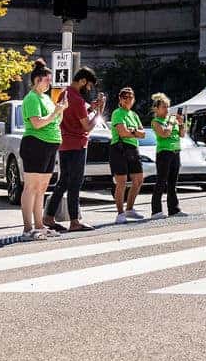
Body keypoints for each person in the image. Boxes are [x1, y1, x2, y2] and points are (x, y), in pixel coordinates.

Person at [42, 67, 104, 233]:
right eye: (89, 85)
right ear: (83, 81)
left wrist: (90, 109)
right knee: (75, 183)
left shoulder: (65, 93)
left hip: (64, 143)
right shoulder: (76, 99)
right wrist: (99, 113)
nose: (89, 89)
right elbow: (87, 126)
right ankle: (74, 221)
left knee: (63, 182)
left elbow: (74, 115)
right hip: (77, 144)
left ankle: (48, 216)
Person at [19, 60, 68, 241]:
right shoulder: (31, 98)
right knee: (31, 187)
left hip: (50, 144)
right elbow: (37, 123)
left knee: (41, 188)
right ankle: (27, 228)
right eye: (47, 80)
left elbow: (54, 121)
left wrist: (61, 110)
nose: (49, 84)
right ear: (37, 80)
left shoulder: (46, 98)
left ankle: (39, 225)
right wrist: (56, 112)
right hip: (35, 144)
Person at [110, 87, 146, 224]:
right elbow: (122, 132)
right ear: (120, 99)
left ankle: (130, 208)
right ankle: (120, 213)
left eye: (131, 97)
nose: (128, 99)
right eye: (125, 97)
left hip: (133, 148)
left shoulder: (134, 115)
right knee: (122, 182)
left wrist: (132, 131)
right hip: (119, 148)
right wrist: (134, 132)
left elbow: (143, 134)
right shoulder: (117, 113)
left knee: (138, 179)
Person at [149, 93, 187, 219]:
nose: (167, 109)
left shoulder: (172, 120)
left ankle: (174, 209)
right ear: (156, 108)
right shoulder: (156, 121)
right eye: (164, 107)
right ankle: (156, 211)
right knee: (161, 181)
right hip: (164, 153)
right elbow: (165, 133)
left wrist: (181, 123)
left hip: (176, 152)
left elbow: (182, 135)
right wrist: (171, 121)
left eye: (168, 107)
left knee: (172, 183)